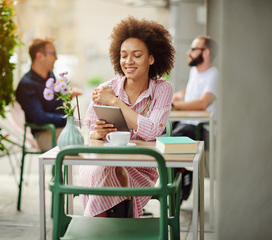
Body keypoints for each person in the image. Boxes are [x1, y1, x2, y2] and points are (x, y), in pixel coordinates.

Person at [79, 16, 175, 218]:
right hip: (101, 164)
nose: (128, 61)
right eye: (123, 55)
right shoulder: (106, 88)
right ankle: (112, 226)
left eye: (136, 55)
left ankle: (94, 229)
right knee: (105, 171)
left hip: (140, 168)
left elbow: (151, 132)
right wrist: (96, 134)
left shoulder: (162, 90)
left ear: (151, 58)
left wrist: (115, 102)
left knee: (111, 174)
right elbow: (86, 132)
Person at [171, 36, 218, 202]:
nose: (188, 52)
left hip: (202, 128)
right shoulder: (194, 72)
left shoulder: (214, 75)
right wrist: (181, 95)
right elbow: (195, 94)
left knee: (173, 142)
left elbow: (203, 103)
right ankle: (179, 177)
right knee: (157, 133)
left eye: (193, 49)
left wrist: (175, 106)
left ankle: (182, 179)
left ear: (205, 52)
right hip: (186, 123)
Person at [16, 38, 81, 152]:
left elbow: (56, 106)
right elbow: (39, 117)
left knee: (85, 134)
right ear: (40, 56)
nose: (56, 58)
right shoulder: (26, 85)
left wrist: (66, 97)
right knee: (76, 140)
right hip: (44, 133)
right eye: (53, 53)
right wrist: (68, 119)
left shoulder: (50, 77)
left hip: (60, 130)